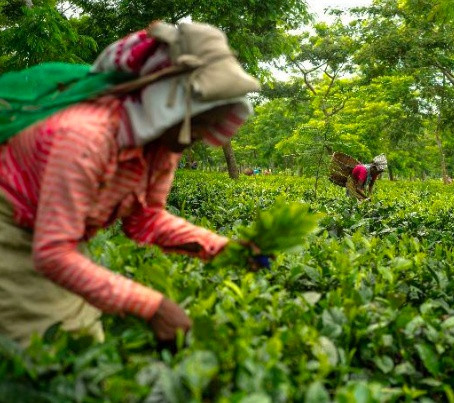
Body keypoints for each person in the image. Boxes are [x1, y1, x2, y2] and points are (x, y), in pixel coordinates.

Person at [0, 21, 264, 346]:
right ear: (166, 103)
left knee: (81, 341)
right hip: (11, 228)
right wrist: (153, 308)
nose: (204, 131)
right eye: (201, 116)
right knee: (46, 355)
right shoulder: (83, 139)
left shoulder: (162, 145)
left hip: (54, 235)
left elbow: (145, 220)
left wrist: (222, 249)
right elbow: (53, 253)